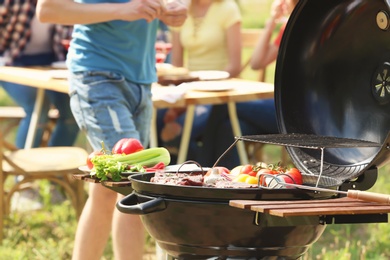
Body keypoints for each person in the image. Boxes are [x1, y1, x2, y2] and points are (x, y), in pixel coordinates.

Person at [36, 0, 188, 259]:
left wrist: (174, 10)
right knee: (131, 183)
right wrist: (123, 10)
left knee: (107, 190)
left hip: (141, 79)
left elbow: (169, 7)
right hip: (98, 76)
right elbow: (47, 9)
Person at [196, 0, 298, 169]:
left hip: (292, 115)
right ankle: (222, 184)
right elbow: (257, 62)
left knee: (224, 106)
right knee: (228, 128)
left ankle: (203, 170)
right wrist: (271, 22)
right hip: (280, 109)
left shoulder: (300, 28)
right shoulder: (288, 26)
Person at [157, 0, 242, 162]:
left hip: (217, 95)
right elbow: (177, 65)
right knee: (156, 120)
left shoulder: (227, 9)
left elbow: (234, 66)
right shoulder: (181, 9)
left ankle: (202, 170)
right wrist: (177, 105)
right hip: (188, 93)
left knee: (177, 132)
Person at [0, 2, 79, 149]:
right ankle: (24, 170)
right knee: (37, 106)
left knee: (73, 110)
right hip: (11, 63)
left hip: (51, 63)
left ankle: (54, 169)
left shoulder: (64, 4)